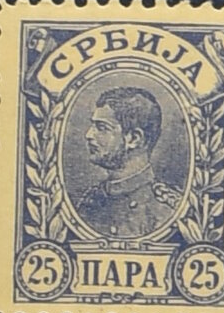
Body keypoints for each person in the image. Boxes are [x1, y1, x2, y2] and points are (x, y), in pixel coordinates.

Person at [52, 66, 186, 253]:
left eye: (102, 128)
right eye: (92, 126)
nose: (88, 135)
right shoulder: (90, 203)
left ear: (134, 139)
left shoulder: (166, 210)